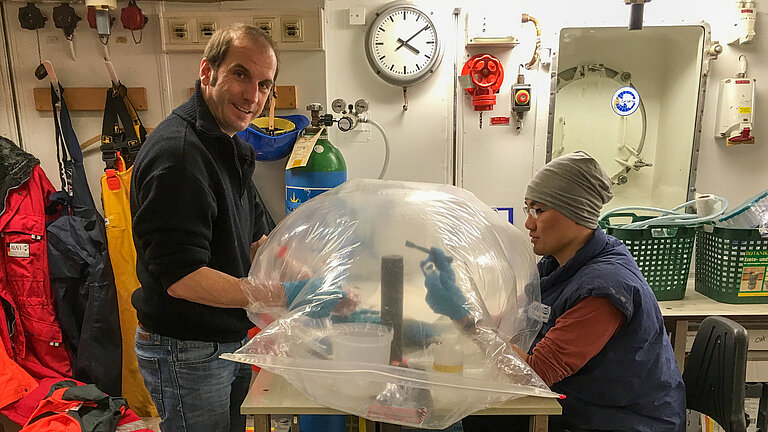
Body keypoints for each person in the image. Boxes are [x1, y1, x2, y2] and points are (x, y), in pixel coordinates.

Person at [422, 151, 685, 432]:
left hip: (627, 423)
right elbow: (516, 321)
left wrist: (467, 320)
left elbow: (534, 372)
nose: (528, 223)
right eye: (528, 209)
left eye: (539, 210)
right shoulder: (558, 265)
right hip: (584, 409)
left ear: (575, 212)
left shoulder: (603, 289)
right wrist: (462, 304)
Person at [130, 24, 280, 432]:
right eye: (240, 74)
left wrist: (316, 281)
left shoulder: (226, 144)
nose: (253, 96)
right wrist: (273, 294)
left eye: (265, 84)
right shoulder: (179, 156)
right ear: (207, 72)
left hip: (225, 338)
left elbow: (257, 241)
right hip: (186, 349)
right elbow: (182, 278)